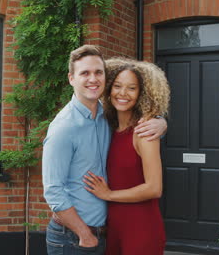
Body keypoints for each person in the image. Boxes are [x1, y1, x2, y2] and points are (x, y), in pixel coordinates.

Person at [42, 45, 168, 255]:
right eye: (85, 73)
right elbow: (53, 191)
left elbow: (153, 184)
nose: (93, 79)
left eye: (98, 72)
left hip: (115, 231)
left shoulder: (105, 119)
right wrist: (84, 234)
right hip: (75, 237)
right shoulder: (64, 127)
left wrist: (161, 123)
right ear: (71, 78)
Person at [83, 57, 170, 255]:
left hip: (142, 228)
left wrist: (109, 195)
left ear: (141, 94)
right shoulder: (108, 128)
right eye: (117, 86)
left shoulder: (144, 132)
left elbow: (154, 188)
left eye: (132, 88)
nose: (123, 93)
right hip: (114, 227)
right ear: (108, 89)